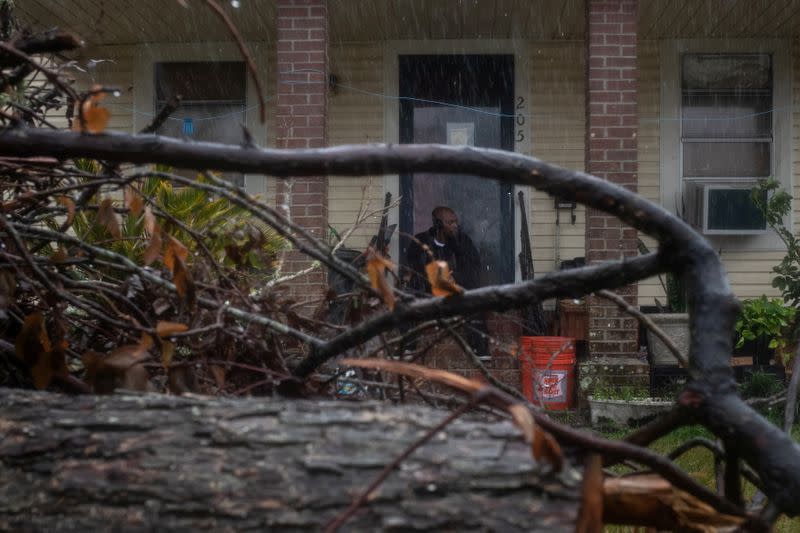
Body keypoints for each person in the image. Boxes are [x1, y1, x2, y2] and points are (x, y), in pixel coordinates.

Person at [405, 206, 490, 358]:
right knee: (408, 295)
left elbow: (474, 268)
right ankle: (408, 346)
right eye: (450, 222)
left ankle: (480, 349)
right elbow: (413, 267)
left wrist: (456, 277)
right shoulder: (421, 241)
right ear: (438, 224)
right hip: (428, 294)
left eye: (455, 222)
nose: (454, 225)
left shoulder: (463, 241)